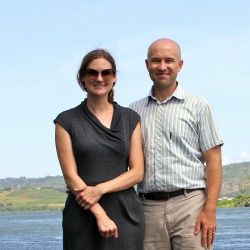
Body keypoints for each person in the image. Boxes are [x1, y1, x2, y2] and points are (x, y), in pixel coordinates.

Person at [130, 38, 223, 250]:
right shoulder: (133, 112)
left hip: (190, 205)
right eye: (156, 61)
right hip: (147, 208)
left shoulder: (199, 106)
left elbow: (214, 161)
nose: (162, 66)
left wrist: (210, 211)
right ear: (147, 65)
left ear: (180, 65)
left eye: (169, 60)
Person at [54, 49, 144, 250]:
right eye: (92, 72)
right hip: (82, 213)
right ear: (82, 78)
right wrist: (100, 214)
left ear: (114, 78)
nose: (99, 78)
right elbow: (71, 177)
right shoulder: (66, 121)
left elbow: (137, 172)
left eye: (106, 73)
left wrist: (100, 189)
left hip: (126, 214)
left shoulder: (131, 119)